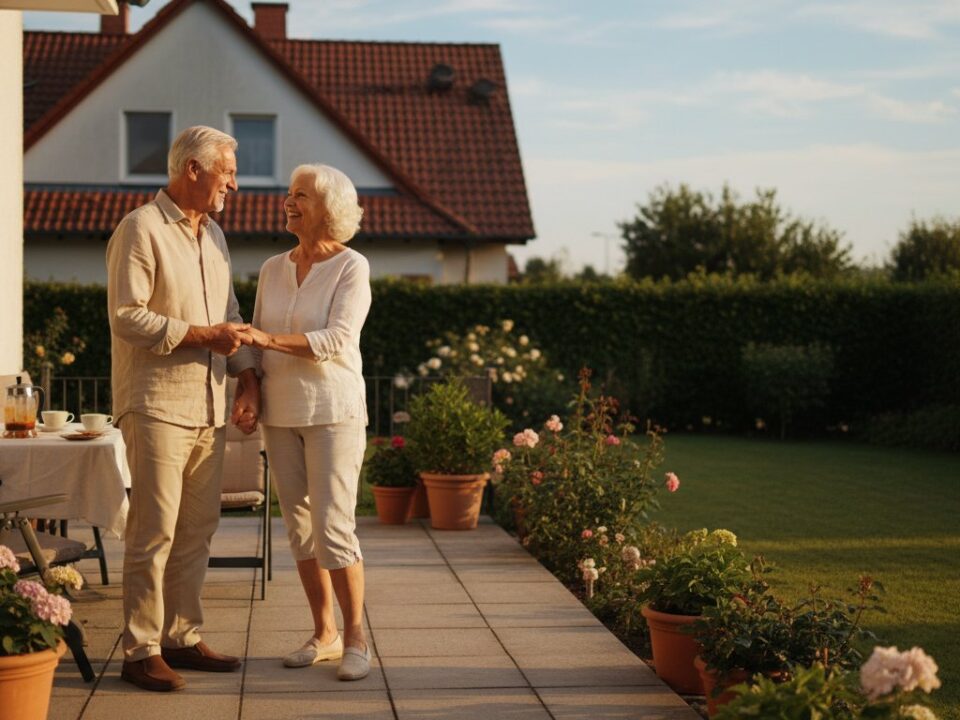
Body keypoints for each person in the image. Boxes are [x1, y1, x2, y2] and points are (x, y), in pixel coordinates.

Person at [106, 126, 261, 692]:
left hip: (210, 406)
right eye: (226, 172)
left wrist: (247, 379)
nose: (234, 184)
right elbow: (127, 315)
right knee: (154, 531)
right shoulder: (140, 228)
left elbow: (231, 311)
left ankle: (181, 636)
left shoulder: (214, 234)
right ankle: (140, 650)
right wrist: (202, 335)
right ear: (192, 170)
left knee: (198, 528)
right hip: (155, 406)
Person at [243, 163, 372, 681]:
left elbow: (337, 340)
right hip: (281, 412)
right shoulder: (274, 267)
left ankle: (357, 638)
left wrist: (266, 342)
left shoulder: (351, 267)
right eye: (289, 194)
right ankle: (324, 634)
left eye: (301, 196)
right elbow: (252, 334)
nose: (289, 202)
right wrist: (249, 389)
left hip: (333, 412)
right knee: (298, 530)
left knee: (334, 527)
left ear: (330, 209)